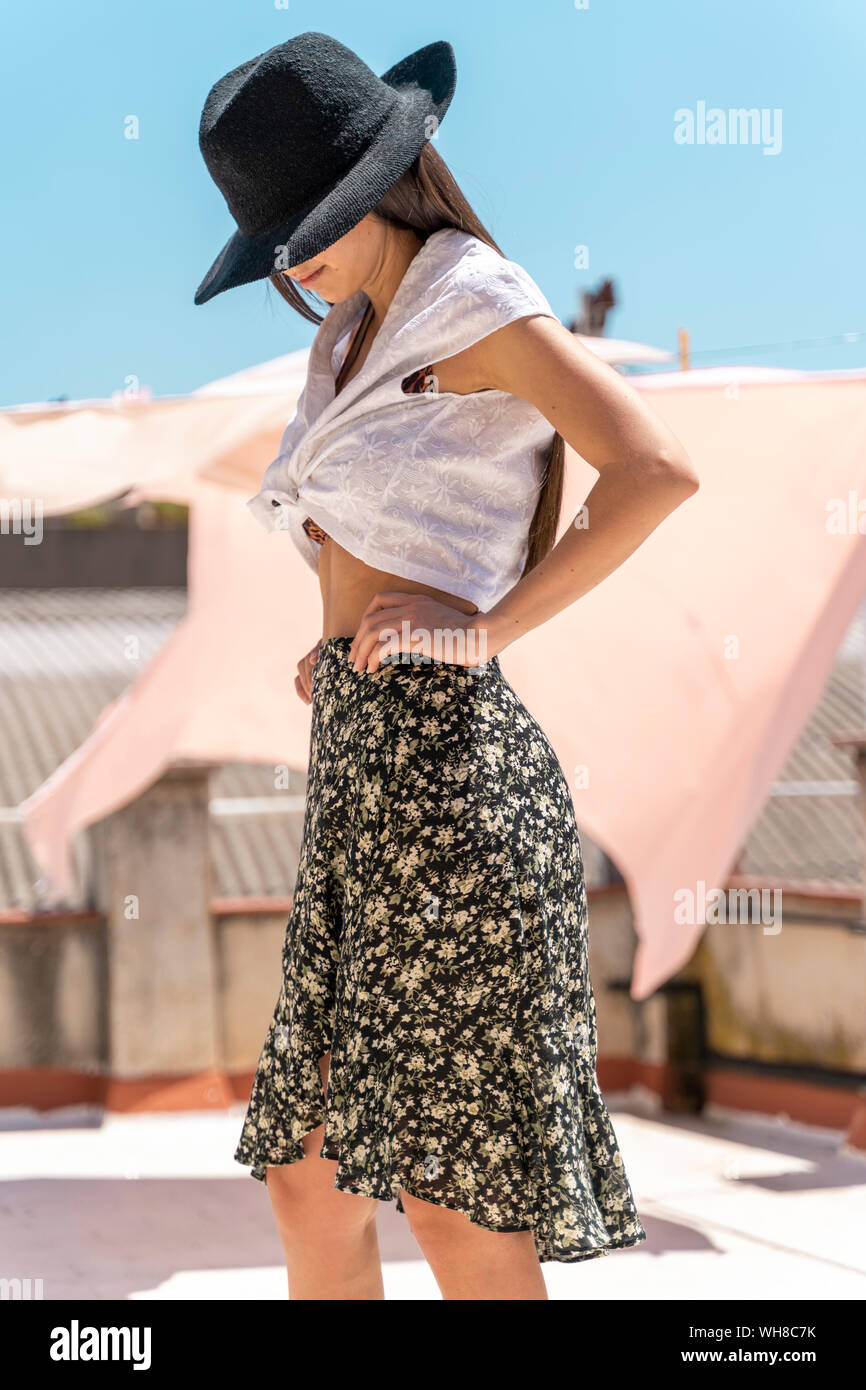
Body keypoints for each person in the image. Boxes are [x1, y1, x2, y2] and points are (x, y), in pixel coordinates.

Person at [194, 31, 698, 1301]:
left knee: (447, 1196)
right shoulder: (342, 339)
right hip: (359, 781)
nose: (294, 258)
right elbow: (394, 533)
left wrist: (482, 629)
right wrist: (338, 636)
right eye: (275, 239)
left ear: (382, 171)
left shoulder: (466, 288)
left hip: (450, 784)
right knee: (313, 1181)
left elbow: (654, 469)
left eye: (311, 219)